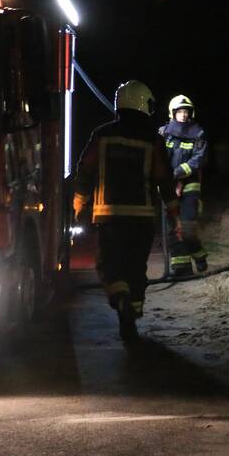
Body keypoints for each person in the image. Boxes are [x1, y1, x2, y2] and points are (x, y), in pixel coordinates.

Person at [73, 80, 179, 343]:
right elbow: (164, 178)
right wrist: (174, 212)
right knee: (135, 266)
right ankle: (133, 310)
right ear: (143, 103)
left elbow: (84, 169)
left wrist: (79, 203)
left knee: (110, 264)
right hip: (142, 216)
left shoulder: (103, 134)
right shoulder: (153, 139)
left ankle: (120, 299)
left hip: (107, 215)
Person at [159, 94, 209, 276]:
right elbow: (158, 158)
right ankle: (182, 268)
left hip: (190, 185)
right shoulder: (163, 133)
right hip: (168, 185)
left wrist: (179, 174)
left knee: (186, 226)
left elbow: (199, 159)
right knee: (173, 227)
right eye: (179, 111)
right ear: (172, 113)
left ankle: (199, 255)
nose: (183, 115)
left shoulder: (198, 133)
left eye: (186, 111)